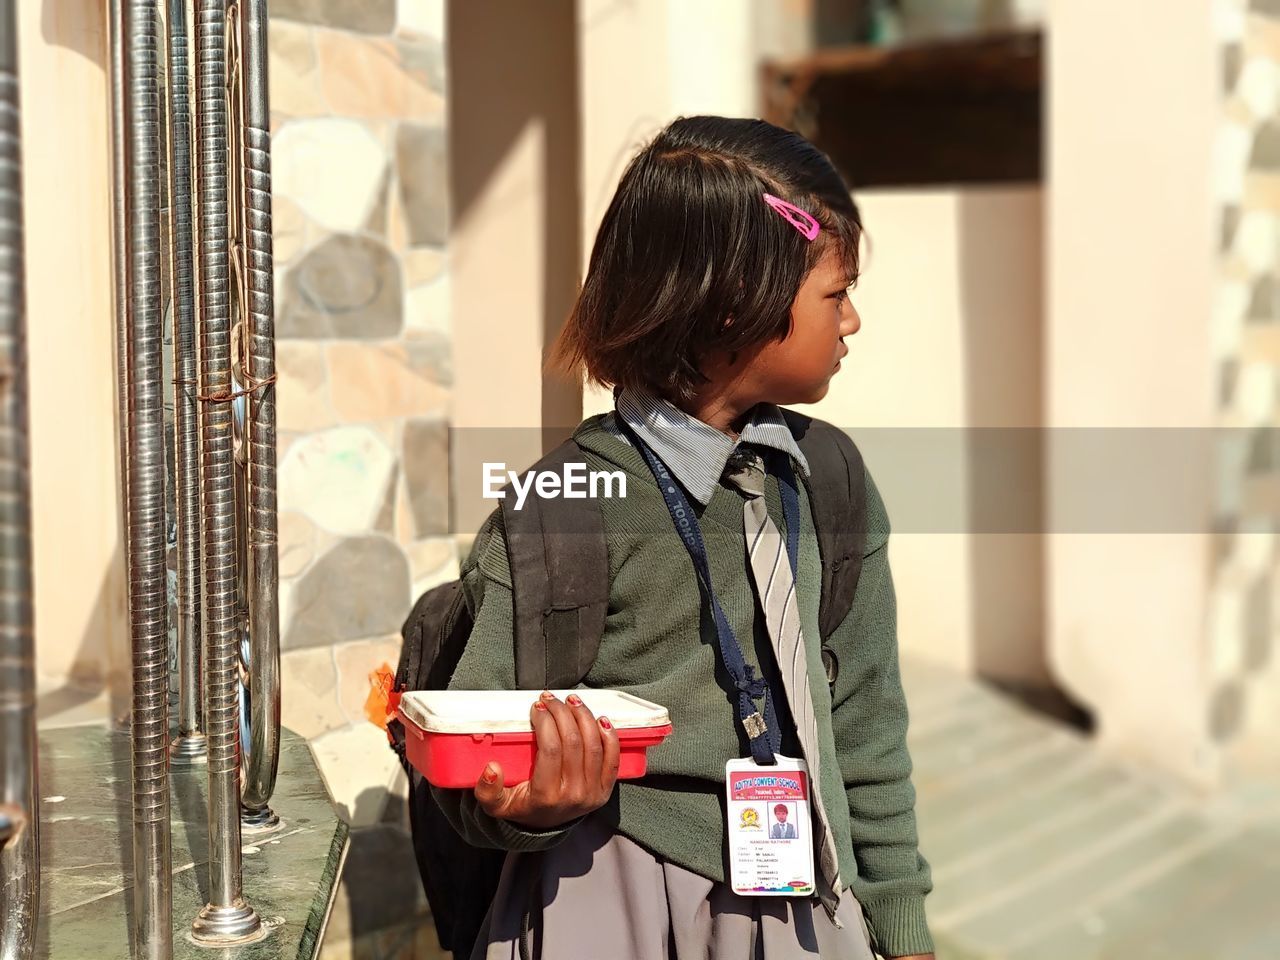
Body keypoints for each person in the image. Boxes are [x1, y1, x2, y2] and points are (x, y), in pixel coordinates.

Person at [434, 116, 935, 959]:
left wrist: (902, 925)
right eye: (833, 294)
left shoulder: (831, 483)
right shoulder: (563, 512)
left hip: (806, 903)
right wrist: (528, 806)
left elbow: (867, 722)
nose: (852, 321)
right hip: (609, 904)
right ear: (734, 303)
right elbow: (465, 761)